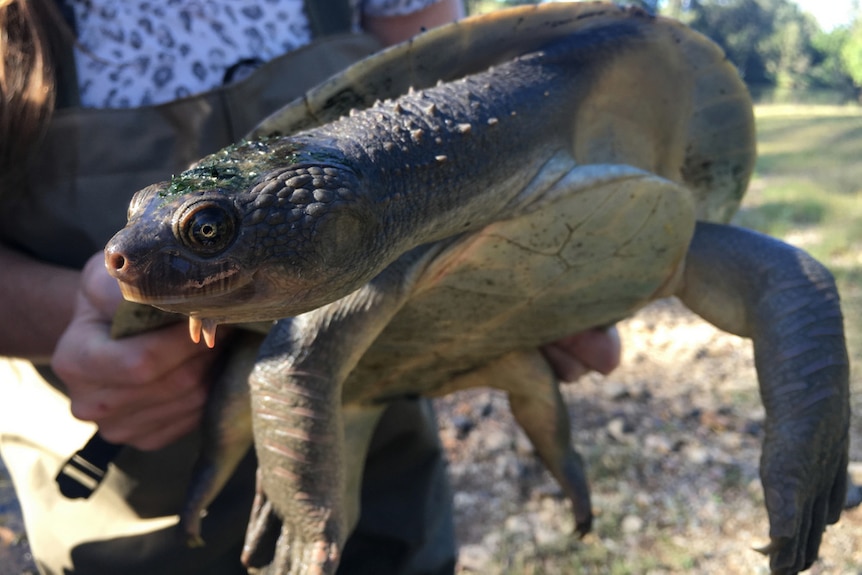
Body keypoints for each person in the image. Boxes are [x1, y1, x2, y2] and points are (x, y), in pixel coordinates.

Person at [0, 1, 621, 574]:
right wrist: (68, 317)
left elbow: (463, 143)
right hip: (127, 506)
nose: (119, 255)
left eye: (206, 228)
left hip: (385, 456)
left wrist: (554, 270)